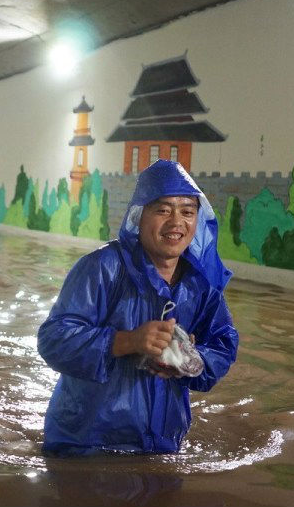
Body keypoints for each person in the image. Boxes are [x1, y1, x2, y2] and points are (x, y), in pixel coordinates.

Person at [37, 160, 239, 455]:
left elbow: (223, 346)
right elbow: (53, 339)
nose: (176, 222)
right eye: (163, 210)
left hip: (163, 445)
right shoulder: (102, 268)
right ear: (139, 215)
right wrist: (126, 341)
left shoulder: (201, 285)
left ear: (198, 219)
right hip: (86, 445)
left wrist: (188, 360)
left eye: (187, 211)